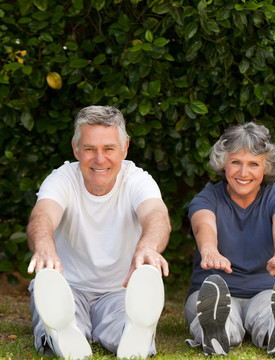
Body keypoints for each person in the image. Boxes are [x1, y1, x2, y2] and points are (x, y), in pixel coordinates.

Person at [26, 105, 171, 360]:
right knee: (52, 303)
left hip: (119, 291)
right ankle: (62, 332)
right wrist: (44, 245)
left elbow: (156, 216)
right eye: (90, 149)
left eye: (109, 149)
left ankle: (134, 332)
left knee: (124, 330)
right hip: (66, 288)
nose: (100, 159)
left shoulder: (138, 180)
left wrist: (149, 246)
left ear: (125, 148)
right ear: (76, 149)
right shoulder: (61, 179)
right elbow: (43, 215)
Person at [184, 122, 275, 357]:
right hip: (214, 291)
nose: (243, 173)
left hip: (267, 291)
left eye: (253, 164)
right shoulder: (207, 198)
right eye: (236, 162)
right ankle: (217, 331)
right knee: (213, 313)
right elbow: (203, 224)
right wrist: (209, 250)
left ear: (265, 168)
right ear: (223, 163)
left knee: (271, 312)